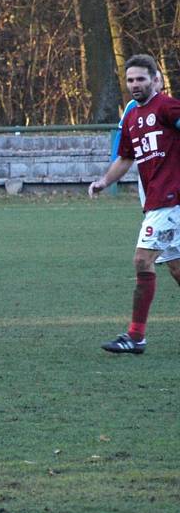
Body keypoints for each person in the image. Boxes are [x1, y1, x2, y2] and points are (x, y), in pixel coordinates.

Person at [88, 54, 180, 354]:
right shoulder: (131, 116)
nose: (135, 85)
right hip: (156, 200)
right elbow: (126, 157)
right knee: (177, 269)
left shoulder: (166, 106)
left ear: (155, 79)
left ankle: (136, 336)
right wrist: (104, 181)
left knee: (142, 260)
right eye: (130, 80)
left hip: (171, 199)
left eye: (141, 78)